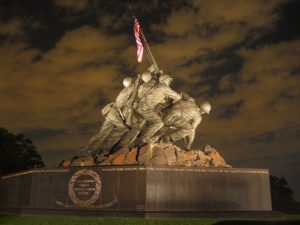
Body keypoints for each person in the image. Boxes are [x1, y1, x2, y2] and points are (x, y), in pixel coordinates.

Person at [84, 77, 134, 156]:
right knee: (124, 128)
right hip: (114, 114)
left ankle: (87, 148)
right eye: (132, 82)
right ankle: (106, 148)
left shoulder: (124, 91)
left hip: (111, 113)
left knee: (102, 133)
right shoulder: (127, 90)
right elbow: (134, 86)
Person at [136, 74, 182, 145]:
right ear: (164, 80)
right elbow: (178, 97)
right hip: (146, 108)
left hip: (144, 107)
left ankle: (146, 137)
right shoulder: (164, 87)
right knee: (159, 123)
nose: (170, 82)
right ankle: (144, 138)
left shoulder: (158, 86)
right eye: (168, 80)